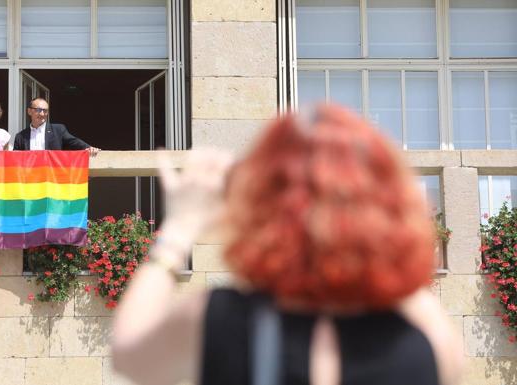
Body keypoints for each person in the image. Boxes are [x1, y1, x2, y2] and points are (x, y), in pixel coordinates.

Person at [111, 104, 463, 385]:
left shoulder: (220, 318)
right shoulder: (429, 336)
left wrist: (180, 227)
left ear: (261, 201)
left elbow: (129, 357)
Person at [13, 97, 99, 156]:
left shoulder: (58, 130)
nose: (42, 114)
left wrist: (89, 148)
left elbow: (74, 142)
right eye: (39, 110)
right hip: (31, 179)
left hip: (51, 178)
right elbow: (15, 160)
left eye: (45, 111)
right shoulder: (20, 136)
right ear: (29, 111)